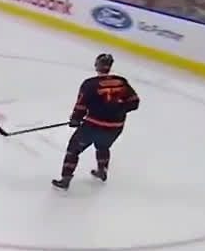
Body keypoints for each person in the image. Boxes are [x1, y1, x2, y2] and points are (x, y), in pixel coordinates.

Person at [51, 53, 140, 190]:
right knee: (103, 146)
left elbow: (81, 106)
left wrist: (75, 119)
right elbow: (134, 102)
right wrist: (117, 110)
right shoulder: (121, 82)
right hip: (115, 128)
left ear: (96, 65)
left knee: (73, 149)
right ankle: (102, 170)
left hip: (93, 126)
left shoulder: (89, 84)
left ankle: (65, 179)